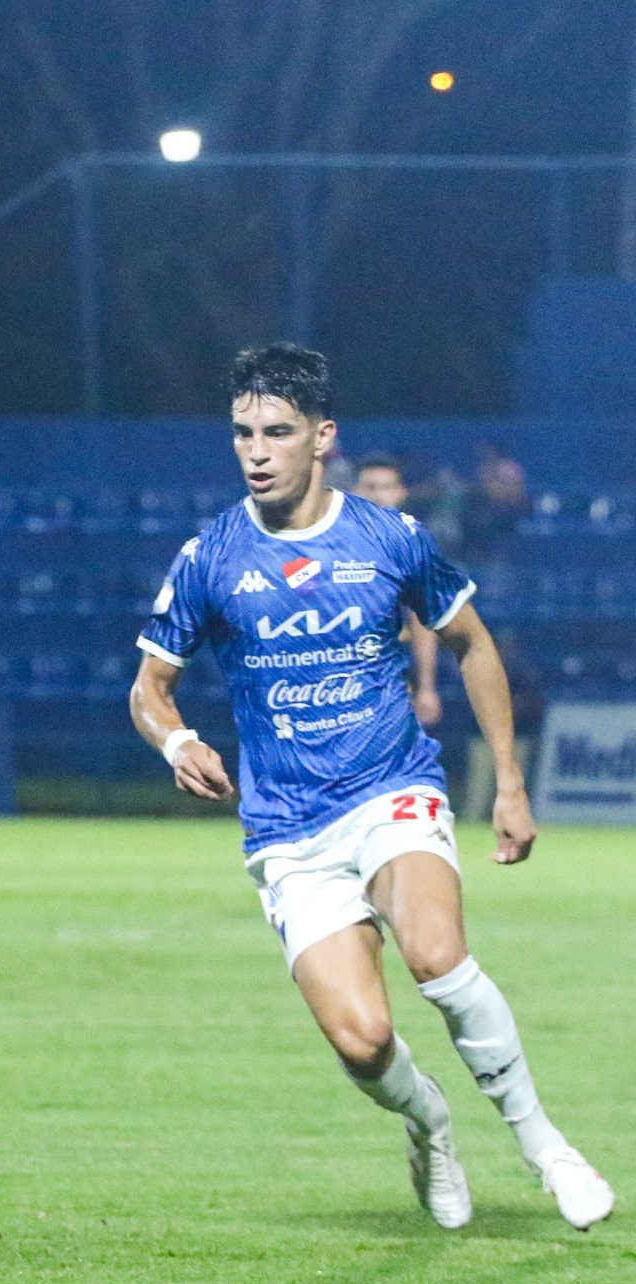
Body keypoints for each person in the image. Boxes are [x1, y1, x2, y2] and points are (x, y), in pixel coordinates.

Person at [130, 343, 611, 1234]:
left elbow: (473, 644)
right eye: (243, 434)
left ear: (323, 439)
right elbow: (148, 689)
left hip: (391, 789)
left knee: (435, 954)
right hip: (287, 830)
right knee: (363, 1041)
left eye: (277, 432)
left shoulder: (388, 537)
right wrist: (179, 741)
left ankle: (547, 1147)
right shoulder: (211, 556)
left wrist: (509, 782)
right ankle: (429, 1124)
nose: (257, 450)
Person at [353, 455, 442, 727]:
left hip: (391, 678)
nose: (378, 495)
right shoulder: (329, 545)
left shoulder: (414, 549)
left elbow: (421, 621)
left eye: (386, 487)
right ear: (354, 492)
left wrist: (427, 687)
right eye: (369, 487)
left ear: (401, 493)